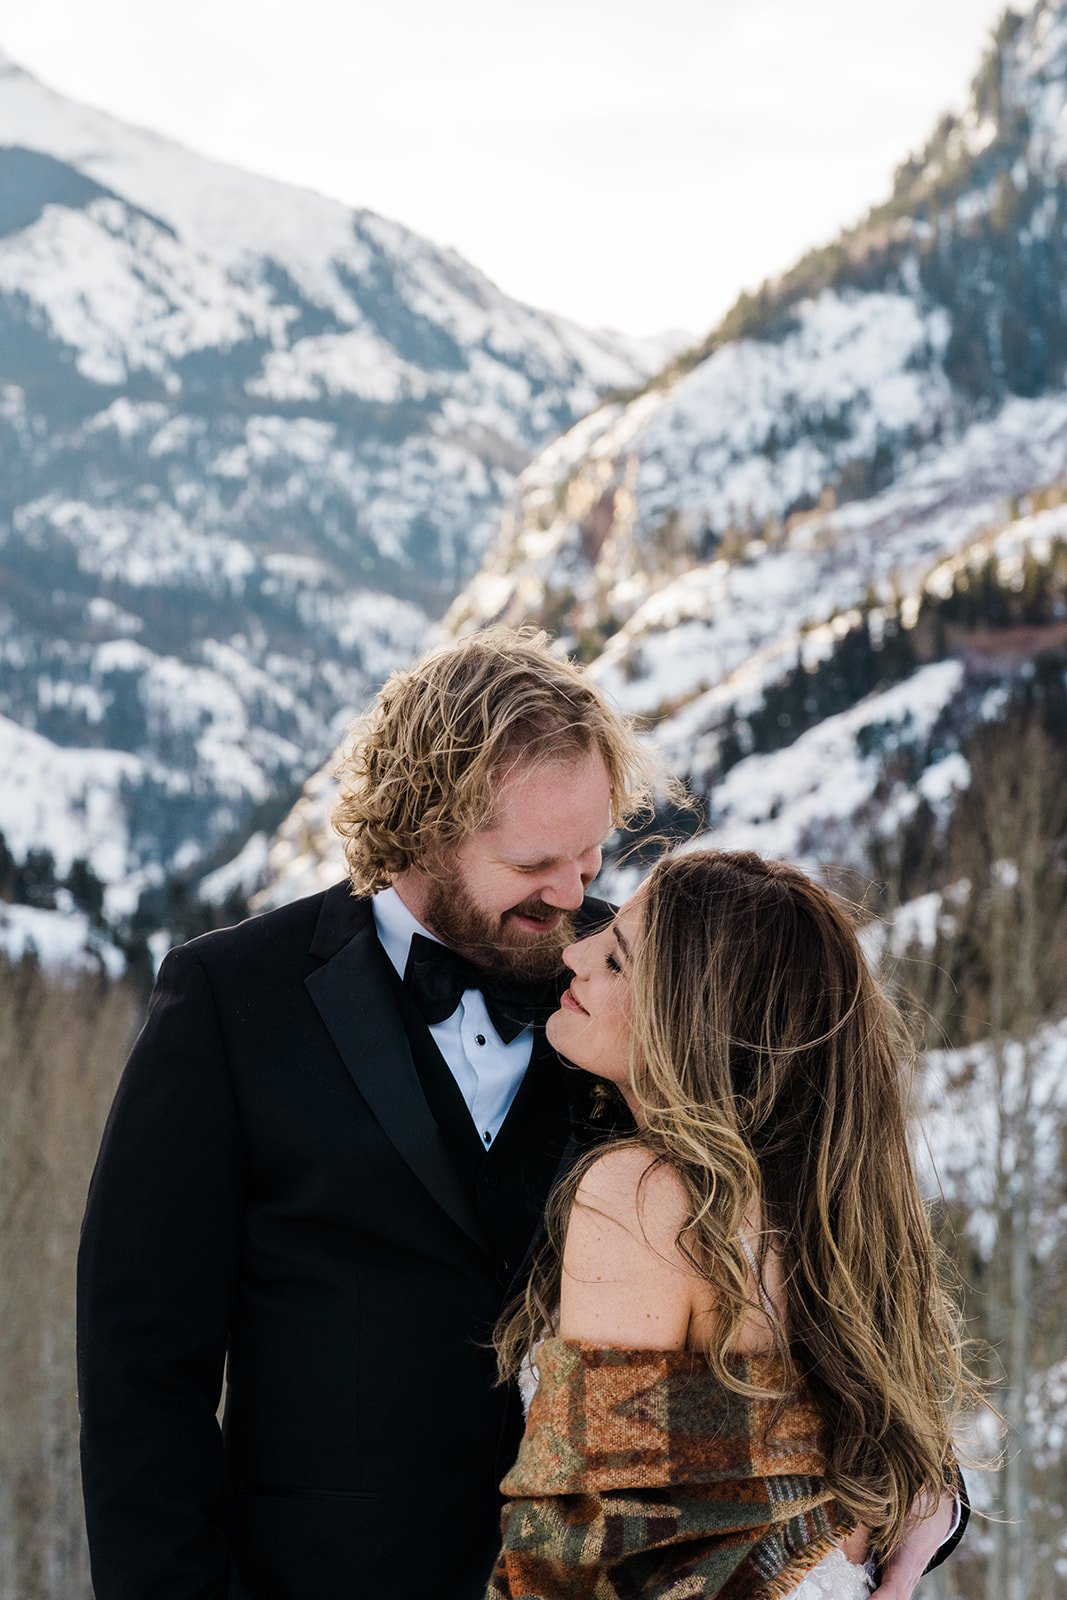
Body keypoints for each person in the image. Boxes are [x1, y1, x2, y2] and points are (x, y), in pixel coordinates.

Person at [78, 628, 965, 1600]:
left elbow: (824, 1231)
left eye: (591, 852)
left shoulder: (638, 991)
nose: (575, 894)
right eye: (534, 860)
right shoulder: (228, 1000)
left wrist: (929, 1489)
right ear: (423, 829)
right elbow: (140, 1375)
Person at [488, 849, 974, 1600]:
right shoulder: (818, 1205)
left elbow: (580, 1561)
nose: (573, 952)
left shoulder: (643, 1196)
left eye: (615, 960)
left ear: (692, 1022)